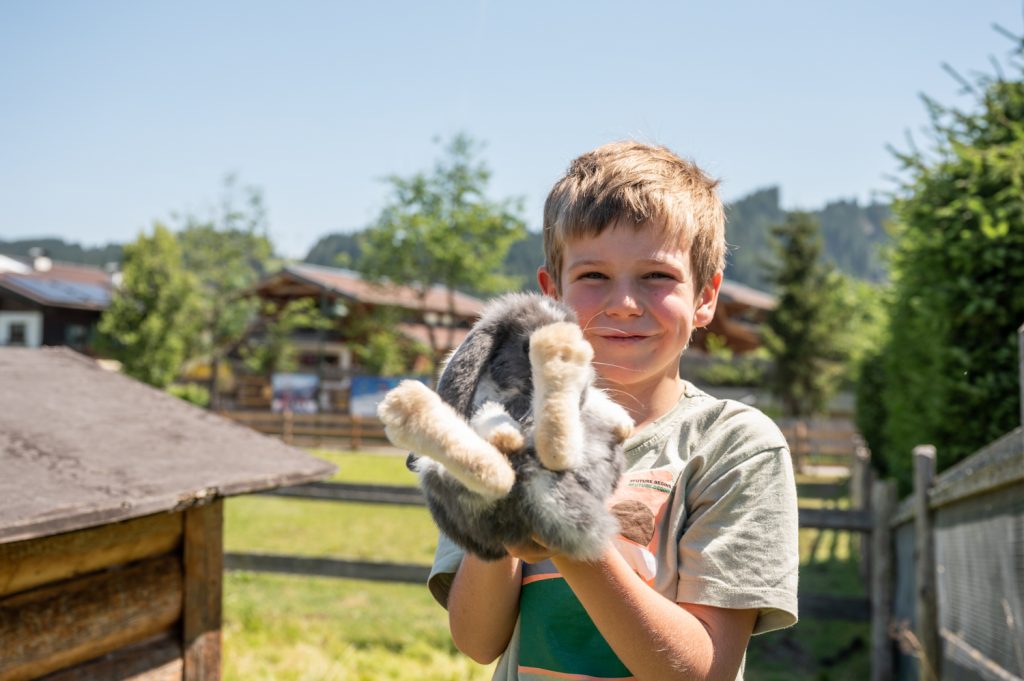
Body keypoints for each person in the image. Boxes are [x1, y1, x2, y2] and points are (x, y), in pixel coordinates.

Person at [427, 141, 799, 680]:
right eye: (594, 277)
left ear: (705, 296)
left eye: (656, 276)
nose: (624, 303)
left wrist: (567, 526)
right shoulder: (499, 429)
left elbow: (703, 672)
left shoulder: (736, 445)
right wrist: (503, 507)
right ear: (551, 296)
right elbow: (477, 641)